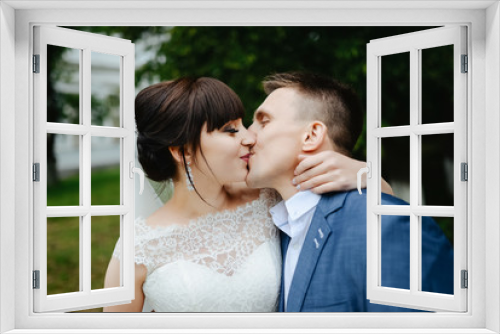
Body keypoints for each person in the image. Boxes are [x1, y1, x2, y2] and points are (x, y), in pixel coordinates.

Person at [103, 77, 383, 312]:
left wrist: (361, 172)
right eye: (230, 130)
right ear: (182, 151)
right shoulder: (138, 246)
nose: (249, 137)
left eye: (243, 124)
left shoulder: (269, 198)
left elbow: (380, 204)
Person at [245, 71, 454, 312]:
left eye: (263, 121)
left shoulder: (385, 226)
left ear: (311, 135)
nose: (248, 136)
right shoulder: (275, 234)